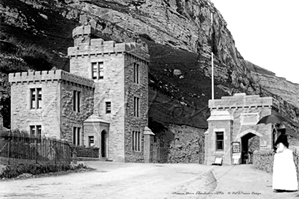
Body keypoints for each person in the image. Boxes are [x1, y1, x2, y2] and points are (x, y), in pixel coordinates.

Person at [272, 124, 298, 192]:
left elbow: (280, 149)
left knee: (281, 171)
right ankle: (288, 186)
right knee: (287, 172)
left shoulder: (281, 138)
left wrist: (275, 150)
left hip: (281, 157)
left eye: (278, 131)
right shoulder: (285, 137)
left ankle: (280, 186)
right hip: (286, 156)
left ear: (280, 131)